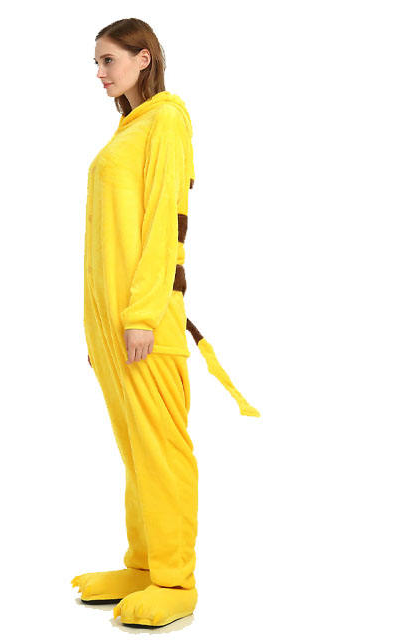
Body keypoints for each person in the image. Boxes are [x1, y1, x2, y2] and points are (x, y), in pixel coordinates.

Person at [71, 18, 260, 628]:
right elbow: (108, 240)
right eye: (96, 62)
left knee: (161, 450)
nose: (99, 73)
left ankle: (176, 581)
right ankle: (145, 564)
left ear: (143, 58)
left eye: (108, 60)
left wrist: (141, 316)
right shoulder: (129, 129)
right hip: (115, 326)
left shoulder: (167, 120)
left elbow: (163, 227)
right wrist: (98, 328)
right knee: (136, 451)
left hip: (146, 322)